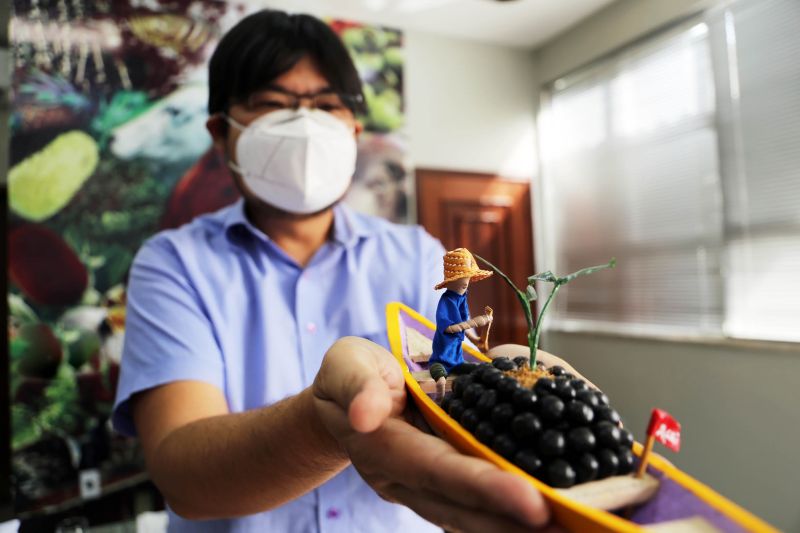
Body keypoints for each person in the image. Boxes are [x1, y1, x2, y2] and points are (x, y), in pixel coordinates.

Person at [112, 9, 556, 533]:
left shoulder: (416, 255)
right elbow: (183, 473)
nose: (303, 125)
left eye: (325, 106)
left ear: (353, 131)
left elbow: (448, 384)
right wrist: (328, 424)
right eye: (272, 104)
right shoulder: (174, 264)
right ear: (220, 131)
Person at [429, 248, 494, 394]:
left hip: (457, 359)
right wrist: (477, 321)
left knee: (477, 368)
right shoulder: (446, 300)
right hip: (442, 357)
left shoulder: (462, 297)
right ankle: (440, 386)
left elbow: (464, 325)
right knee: (438, 371)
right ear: (450, 282)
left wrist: (476, 338)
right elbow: (449, 328)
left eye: (467, 281)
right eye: (462, 282)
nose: (466, 285)